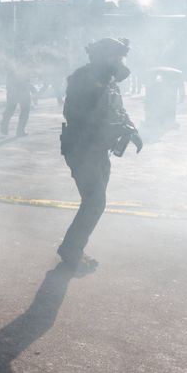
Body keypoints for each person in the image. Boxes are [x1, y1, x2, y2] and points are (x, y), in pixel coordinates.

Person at [57, 37, 142, 274]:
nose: (120, 61)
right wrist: (116, 129)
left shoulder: (108, 81)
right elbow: (82, 118)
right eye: (116, 56)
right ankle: (71, 250)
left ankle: (73, 248)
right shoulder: (83, 80)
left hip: (98, 150)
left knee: (94, 203)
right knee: (95, 202)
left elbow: (118, 109)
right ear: (103, 57)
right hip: (81, 150)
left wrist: (131, 128)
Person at [0, 63, 35, 137]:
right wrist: (31, 88)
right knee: (24, 111)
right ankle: (19, 130)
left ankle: (5, 125)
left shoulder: (13, 70)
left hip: (14, 92)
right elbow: (24, 81)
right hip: (21, 92)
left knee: (11, 109)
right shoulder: (21, 68)